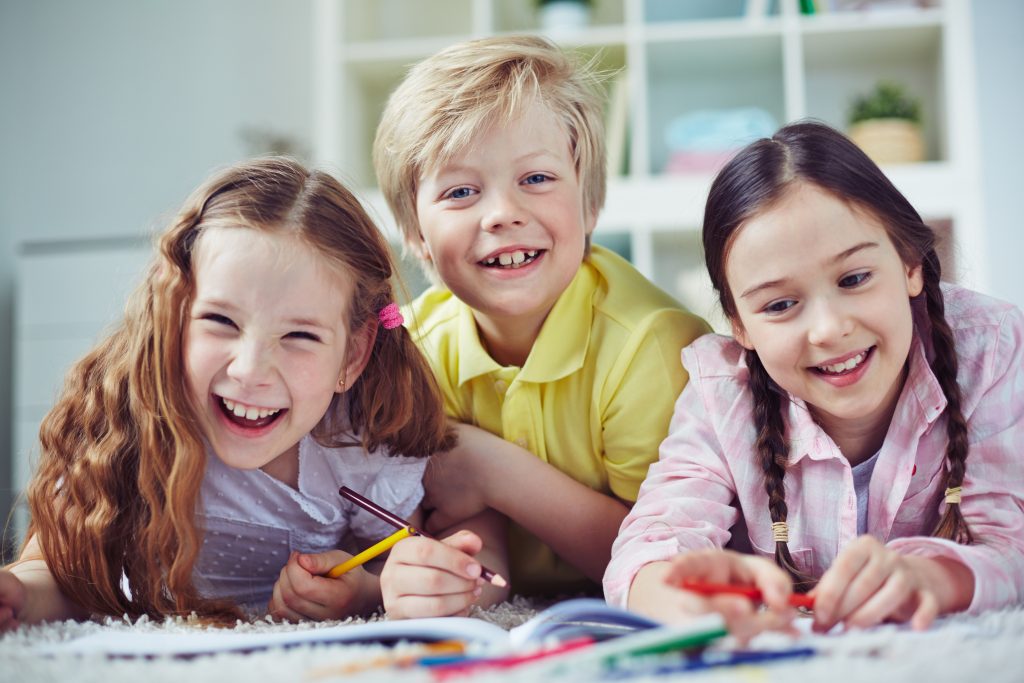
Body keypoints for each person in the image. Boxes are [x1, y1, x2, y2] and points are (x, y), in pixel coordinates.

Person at [0, 157, 508, 633]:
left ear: (353, 356)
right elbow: (60, 575)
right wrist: (18, 594)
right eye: (220, 321)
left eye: (299, 336)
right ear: (171, 315)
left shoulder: (360, 448)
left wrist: (364, 592)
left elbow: (391, 569)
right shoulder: (124, 419)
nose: (250, 371)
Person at [605, 121, 1024, 638]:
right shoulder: (721, 390)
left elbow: (1010, 545)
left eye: (854, 279)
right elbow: (653, 540)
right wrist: (674, 595)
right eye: (780, 305)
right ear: (740, 326)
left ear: (911, 262)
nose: (829, 330)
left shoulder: (990, 345)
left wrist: (930, 578)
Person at [373, 35, 711, 597]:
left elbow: (667, 556)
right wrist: (458, 582)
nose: (504, 213)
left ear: (590, 203)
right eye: (460, 191)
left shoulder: (649, 347)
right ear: (415, 236)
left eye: (536, 178)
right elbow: (465, 531)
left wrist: (490, 469)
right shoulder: (415, 351)